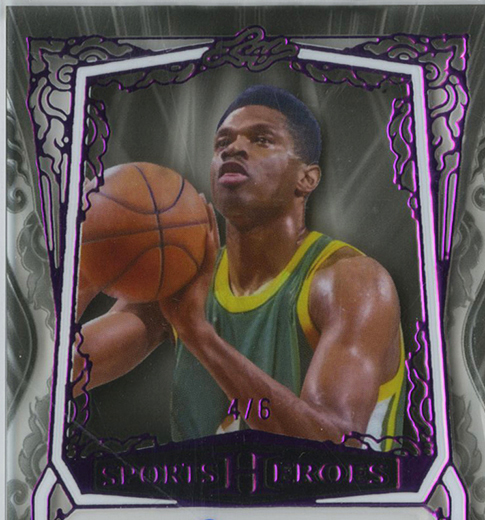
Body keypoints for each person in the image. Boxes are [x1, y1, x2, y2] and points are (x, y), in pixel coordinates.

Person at [74, 85, 405, 447]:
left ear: (307, 178)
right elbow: (58, 376)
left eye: (261, 139)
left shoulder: (352, 281)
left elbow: (335, 448)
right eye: (222, 142)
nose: (233, 148)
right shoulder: (182, 278)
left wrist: (200, 337)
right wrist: (84, 270)